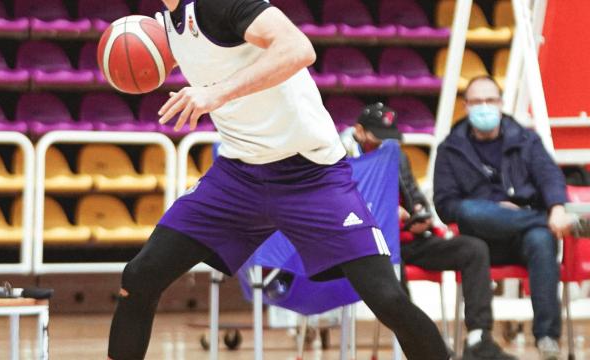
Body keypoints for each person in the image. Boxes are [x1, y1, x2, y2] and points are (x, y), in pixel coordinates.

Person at [107, 1, 451, 359]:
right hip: (239, 176)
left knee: (386, 297)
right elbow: (177, 52)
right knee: (140, 275)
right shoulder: (163, 29)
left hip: (312, 176)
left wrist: (215, 93)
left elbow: (298, 48)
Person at [340, 103, 517, 360]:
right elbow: (346, 209)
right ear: (359, 131)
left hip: (410, 238)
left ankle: (479, 337)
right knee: (393, 278)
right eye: (378, 137)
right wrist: (383, 213)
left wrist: (419, 214)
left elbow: (413, 195)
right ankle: (428, 350)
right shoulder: (342, 159)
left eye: (388, 138)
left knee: (474, 249)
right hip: (374, 244)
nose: (383, 144)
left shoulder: (396, 155)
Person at [434, 75, 590, 360]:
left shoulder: (526, 139)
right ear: (466, 106)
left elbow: (550, 176)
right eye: (477, 101)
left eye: (490, 100)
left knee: (542, 238)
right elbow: (445, 205)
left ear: (501, 104)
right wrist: (497, 210)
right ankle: (556, 222)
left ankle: (546, 337)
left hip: (522, 238)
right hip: (480, 238)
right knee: (471, 210)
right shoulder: (450, 149)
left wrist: (557, 206)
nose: (484, 106)